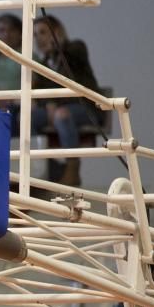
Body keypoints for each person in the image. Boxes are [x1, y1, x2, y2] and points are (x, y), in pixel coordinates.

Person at [31, 15, 102, 186]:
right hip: (56, 108)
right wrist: (47, 104)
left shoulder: (75, 48)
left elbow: (76, 81)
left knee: (62, 115)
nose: (38, 38)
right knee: (27, 117)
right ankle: (39, 164)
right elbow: (39, 91)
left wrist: (58, 47)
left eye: (43, 32)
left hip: (84, 107)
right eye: (35, 34)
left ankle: (72, 168)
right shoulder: (43, 63)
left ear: (56, 32)